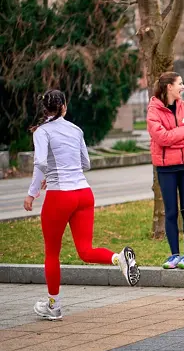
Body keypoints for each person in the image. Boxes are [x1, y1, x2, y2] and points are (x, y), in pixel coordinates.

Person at [24, 90, 140, 321]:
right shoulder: (76, 130)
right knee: (85, 250)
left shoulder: (42, 132)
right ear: (64, 107)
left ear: (44, 109)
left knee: (52, 253)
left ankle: (53, 306)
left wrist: (32, 193)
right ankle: (118, 259)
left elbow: (39, 164)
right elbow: (85, 163)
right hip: (84, 194)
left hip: (60, 196)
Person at [147, 72, 184, 270]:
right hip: (165, 169)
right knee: (170, 212)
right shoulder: (153, 110)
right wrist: (182, 132)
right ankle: (174, 255)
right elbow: (161, 138)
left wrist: (174, 138)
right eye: (180, 83)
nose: (183, 87)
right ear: (169, 86)